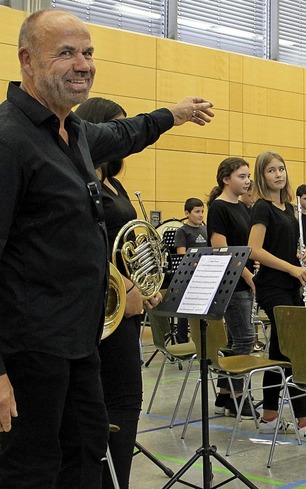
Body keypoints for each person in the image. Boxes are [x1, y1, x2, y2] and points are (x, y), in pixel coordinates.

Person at [0, 9, 214, 488]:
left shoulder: (73, 133)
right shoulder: (9, 138)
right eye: (67, 53)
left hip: (81, 345)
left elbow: (125, 132)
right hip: (28, 353)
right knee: (29, 472)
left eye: (89, 53)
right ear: (27, 61)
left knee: (86, 455)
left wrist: (172, 115)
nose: (83, 64)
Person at [75, 97, 163, 489]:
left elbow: (130, 242)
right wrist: (127, 287)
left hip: (127, 306)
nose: (122, 139)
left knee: (126, 400)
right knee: (114, 400)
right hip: (102, 307)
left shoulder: (114, 181)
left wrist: (148, 286)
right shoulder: (81, 176)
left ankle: (116, 479)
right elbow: (87, 242)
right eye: (116, 129)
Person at [247, 151, 306, 444]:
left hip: (290, 283)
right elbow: (254, 250)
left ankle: (269, 417)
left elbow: (284, 247)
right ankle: (304, 419)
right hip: (273, 286)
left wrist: (302, 254)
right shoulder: (262, 207)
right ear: (262, 175)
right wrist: (292, 268)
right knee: (294, 349)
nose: (278, 175)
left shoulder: (288, 209)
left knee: (279, 351)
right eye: (271, 170)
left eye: (281, 168)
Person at [206, 157, 257, 418]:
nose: (248, 181)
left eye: (248, 176)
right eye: (242, 176)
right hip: (232, 283)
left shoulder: (244, 207)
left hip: (243, 280)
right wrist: (247, 274)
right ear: (226, 179)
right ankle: (238, 397)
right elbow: (221, 249)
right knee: (245, 338)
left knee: (238, 338)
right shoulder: (218, 207)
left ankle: (226, 394)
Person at [174, 197, 208, 343]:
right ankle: (182, 340)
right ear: (187, 213)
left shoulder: (206, 230)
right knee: (185, 311)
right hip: (190, 276)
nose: (201, 215)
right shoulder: (183, 231)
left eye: (202, 211)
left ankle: (203, 340)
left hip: (205, 275)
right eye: (197, 212)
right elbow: (182, 255)